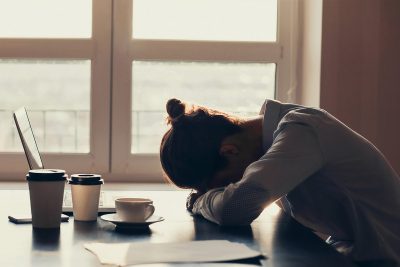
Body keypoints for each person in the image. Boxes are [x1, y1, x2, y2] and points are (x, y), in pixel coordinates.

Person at [159, 98, 400, 265]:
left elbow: (235, 207)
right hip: (351, 253)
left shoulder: (302, 132)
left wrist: (199, 202)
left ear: (229, 151)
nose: (222, 191)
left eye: (216, 186)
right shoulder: (276, 140)